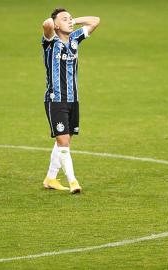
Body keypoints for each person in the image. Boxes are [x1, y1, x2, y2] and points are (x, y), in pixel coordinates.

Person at [41, 8, 100, 193]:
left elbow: (95, 20)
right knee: (64, 142)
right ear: (57, 25)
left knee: (64, 141)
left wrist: (73, 20)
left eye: (70, 19)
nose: (69, 21)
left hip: (73, 99)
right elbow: (47, 25)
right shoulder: (51, 43)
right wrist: (54, 22)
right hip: (56, 100)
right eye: (64, 19)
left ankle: (50, 178)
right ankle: (73, 182)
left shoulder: (75, 39)